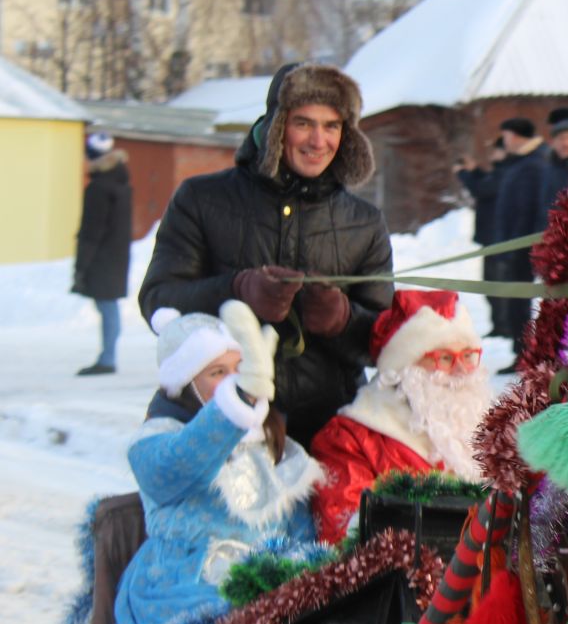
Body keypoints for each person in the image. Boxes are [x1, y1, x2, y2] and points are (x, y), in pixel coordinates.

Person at [138, 63, 392, 445]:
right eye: (303, 123)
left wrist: (341, 320)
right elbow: (158, 302)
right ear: (276, 126)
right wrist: (238, 290)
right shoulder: (201, 199)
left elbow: (382, 342)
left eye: (332, 126)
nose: (318, 140)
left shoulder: (364, 223)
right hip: (219, 424)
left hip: (326, 433)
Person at [97, 301, 321, 624]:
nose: (234, 381)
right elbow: (180, 462)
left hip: (261, 580)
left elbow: (293, 523)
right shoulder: (157, 441)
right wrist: (234, 408)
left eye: (240, 369)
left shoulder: (266, 440)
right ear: (184, 384)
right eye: (218, 373)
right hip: (182, 589)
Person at [309, 290, 492, 543]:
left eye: (469, 355)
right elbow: (347, 542)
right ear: (405, 368)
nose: (461, 371)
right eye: (445, 358)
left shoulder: (495, 432)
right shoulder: (350, 441)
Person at [459, 119, 537, 337]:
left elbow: (484, 189)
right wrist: (473, 171)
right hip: (496, 237)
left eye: (499, 146)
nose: (493, 154)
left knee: (505, 290)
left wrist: (466, 174)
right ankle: (502, 326)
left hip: (506, 240)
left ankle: (506, 328)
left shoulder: (516, 169)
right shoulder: (507, 171)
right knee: (494, 286)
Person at [73, 131, 133, 376]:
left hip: (101, 256)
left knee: (107, 307)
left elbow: (92, 230)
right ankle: (108, 355)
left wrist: (81, 265)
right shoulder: (122, 184)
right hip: (117, 254)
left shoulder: (98, 188)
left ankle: (107, 358)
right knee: (109, 306)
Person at [491, 116, 551, 348]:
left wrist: (516, 246)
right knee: (516, 299)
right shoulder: (519, 161)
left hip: (521, 244)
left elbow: (525, 209)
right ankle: (520, 350)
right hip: (513, 241)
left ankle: (523, 351)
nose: (504, 142)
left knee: (519, 299)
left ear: (515, 136)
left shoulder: (533, 164)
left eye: (506, 136)